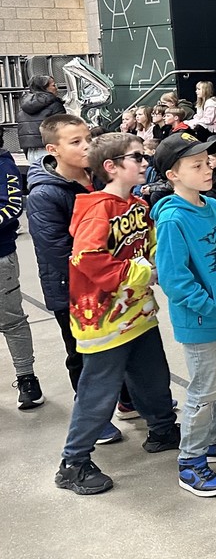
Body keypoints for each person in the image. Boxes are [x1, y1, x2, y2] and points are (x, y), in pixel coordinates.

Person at [55, 133, 180, 496]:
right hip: (103, 320)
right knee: (99, 391)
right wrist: (143, 273)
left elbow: (148, 242)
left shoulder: (138, 206)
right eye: (136, 157)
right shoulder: (97, 209)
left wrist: (160, 256)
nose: (144, 162)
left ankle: (162, 430)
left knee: (154, 376)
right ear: (110, 167)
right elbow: (89, 259)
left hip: (138, 313)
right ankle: (73, 463)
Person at [151, 134, 216, 497]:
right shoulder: (172, 220)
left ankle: (214, 441)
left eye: (207, 161)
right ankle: (190, 462)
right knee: (203, 389)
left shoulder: (211, 206)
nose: (207, 167)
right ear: (173, 175)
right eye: (196, 165)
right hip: (199, 318)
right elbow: (174, 279)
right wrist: (210, 306)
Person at [26, 115, 124, 444]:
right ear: (53, 149)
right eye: (76, 142)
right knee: (83, 353)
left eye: (88, 139)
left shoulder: (98, 176)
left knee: (122, 341)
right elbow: (58, 251)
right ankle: (93, 417)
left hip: (112, 279)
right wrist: (104, 260)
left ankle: (127, 398)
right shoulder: (44, 194)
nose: (86, 147)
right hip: (71, 290)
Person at [1, 143, 44, 409]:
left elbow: (12, 206)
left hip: (0, 256)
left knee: (11, 320)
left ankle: (26, 377)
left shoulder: (4, 165)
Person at [17, 75, 66, 162]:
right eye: (53, 85)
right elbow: (62, 130)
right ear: (44, 88)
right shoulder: (55, 104)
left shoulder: (24, 105)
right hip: (51, 150)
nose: (56, 88)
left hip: (31, 152)